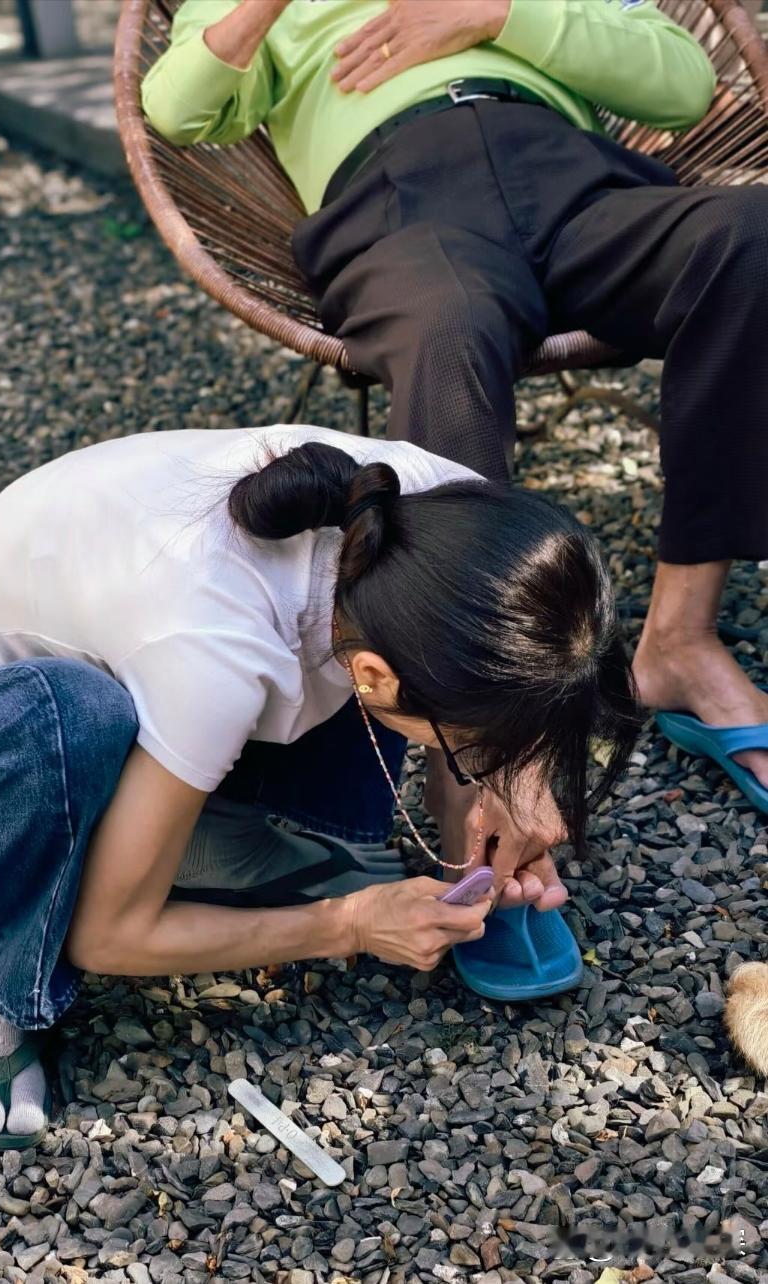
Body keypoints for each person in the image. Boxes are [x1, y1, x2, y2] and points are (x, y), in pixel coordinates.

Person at [0, 424, 641, 1146]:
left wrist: (518, 780)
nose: (488, 760)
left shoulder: (450, 517)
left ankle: (201, 838)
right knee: (69, 722)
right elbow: (107, 938)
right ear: (375, 678)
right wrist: (351, 924)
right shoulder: (214, 655)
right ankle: (1, 968)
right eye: (478, 748)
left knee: (376, 643)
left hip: (159, 650)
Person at [141, 0, 768, 819]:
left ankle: (681, 640)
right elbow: (178, 108)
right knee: (446, 330)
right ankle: (474, 754)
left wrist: (498, 18)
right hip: (399, 198)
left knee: (752, 239)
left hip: (574, 182)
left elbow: (684, 84)